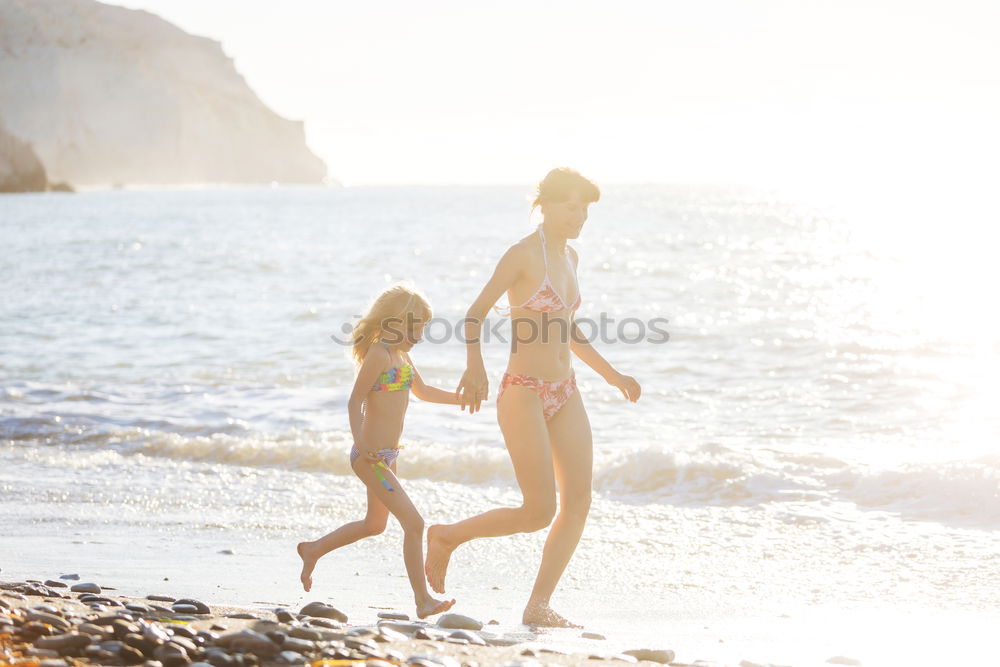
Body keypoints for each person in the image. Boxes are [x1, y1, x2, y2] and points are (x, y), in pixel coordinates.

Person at [424, 167, 642, 627]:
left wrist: (612, 375)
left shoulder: (572, 259)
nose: (580, 216)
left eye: (585, 208)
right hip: (522, 391)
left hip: (566, 392)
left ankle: (538, 605)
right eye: (571, 206)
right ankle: (445, 537)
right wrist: (474, 366)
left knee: (579, 500)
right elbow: (474, 314)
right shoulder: (522, 255)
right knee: (537, 510)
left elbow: (569, 330)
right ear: (545, 205)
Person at [297, 284, 459, 619]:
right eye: (416, 328)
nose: (420, 335)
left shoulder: (401, 356)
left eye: (424, 329)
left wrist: (462, 398)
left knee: (374, 525)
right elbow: (355, 400)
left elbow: (424, 391)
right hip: (370, 459)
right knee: (415, 524)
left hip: (388, 456)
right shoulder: (379, 354)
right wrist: (361, 442)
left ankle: (313, 550)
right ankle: (422, 600)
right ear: (395, 322)